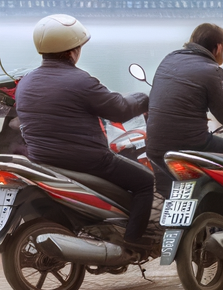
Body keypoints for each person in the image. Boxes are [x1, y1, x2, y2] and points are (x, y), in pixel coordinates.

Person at [14, 13, 153, 251]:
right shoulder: (81, 81)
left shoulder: (26, 82)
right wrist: (144, 98)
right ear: (72, 51)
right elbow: (119, 109)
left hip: (42, 159)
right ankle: (133, 239)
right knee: (146, 182)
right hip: (88, 161)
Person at [146, 22, 223, 196]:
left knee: (168, 193)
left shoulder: (169, 59)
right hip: (190, 145)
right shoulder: (210, 70)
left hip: (155, 147)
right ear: (218, 48)